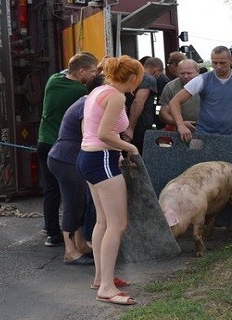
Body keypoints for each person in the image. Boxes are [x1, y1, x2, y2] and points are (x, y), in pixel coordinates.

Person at [77, 55, 142, 306]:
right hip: (101, 158)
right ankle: (106, 287)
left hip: (88, 157)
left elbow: (90, 130)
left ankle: (99, 278)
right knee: (118, 224)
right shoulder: (117, 96)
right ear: (133, 78)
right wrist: (130, 147)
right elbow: (105, 134)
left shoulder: (98, 90)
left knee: (103, 221)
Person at [38, 52, 99, 247]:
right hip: (63, 148)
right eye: (91, 71)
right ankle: (75, 239)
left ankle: (52, 232)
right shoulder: (78, 92)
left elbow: (69, 68)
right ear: (81, 71)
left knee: (51, 191)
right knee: (73, 195)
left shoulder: (53, 80)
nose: (93, 75)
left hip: (44, 142)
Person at [47, 74, 107, 266]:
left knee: (79, 202)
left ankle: (80, 245)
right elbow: (88, 137)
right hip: (65, 159)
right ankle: (70, 251)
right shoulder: (86, 106)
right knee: (73, 204)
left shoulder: (88, 103)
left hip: (68, 157)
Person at [168, 45, 232, 145]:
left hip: (230, 136)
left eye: (222, 63)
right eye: (214, 62)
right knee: (196, 160)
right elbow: (174, 102)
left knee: (229, 161)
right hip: (202, 135)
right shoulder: (202, 79)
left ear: (230, 61)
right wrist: (180, 125)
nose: (218, 66)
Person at [125, 57, 162, 152]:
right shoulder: (149, 79)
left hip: (126, 122)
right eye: (160, 73)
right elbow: (138, 101)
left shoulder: (131, 77)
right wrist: (130, 128)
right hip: (140, 125)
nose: (159, 76)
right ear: (156, 70)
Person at [159, 59, 201, 130]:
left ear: (198, 71)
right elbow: (163, 113)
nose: (185, 76)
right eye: (182, 73)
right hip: (178, 127)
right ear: (177, 72)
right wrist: (181, 123)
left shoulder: (209, 85)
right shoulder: (170, 87)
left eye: (189, 73)